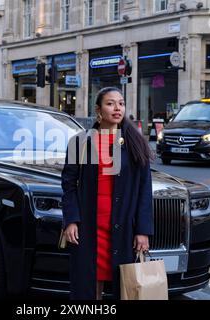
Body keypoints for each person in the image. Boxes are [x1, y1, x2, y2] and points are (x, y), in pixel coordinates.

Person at [61, 87, 154, 300]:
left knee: (126, 287)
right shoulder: (80, 142)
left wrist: (143, 230)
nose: (117, 108)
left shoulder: (135, 143)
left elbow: (144, 189)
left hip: (123, 227)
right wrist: (71, 220)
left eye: (121, 103)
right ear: (98, 110)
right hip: (88, 227)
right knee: (87, 286)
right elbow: (68, 185)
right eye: (110, 103)